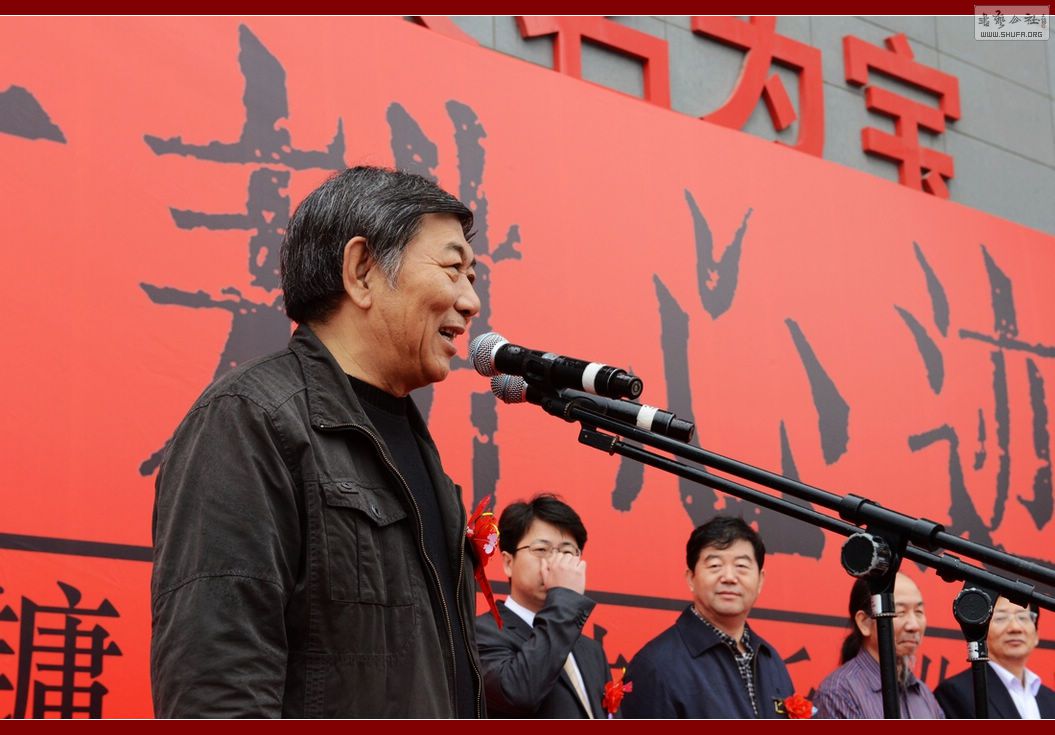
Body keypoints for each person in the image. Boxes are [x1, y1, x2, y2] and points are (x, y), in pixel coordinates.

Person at [150, 166, 485, 718]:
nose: (470, 302)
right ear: (361, 271)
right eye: (453, 269)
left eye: (472, 277)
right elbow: (217, 686)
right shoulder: (249, 419)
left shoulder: (416, 448)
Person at [622, 516, 794, 718]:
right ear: (691, 578)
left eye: (741, 566)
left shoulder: (770, 660)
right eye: (714, 565)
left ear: (760, 581)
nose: (729, 577)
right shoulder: (656, 665)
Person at [474, 494, 612, 718]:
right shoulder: (481, 633)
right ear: (508, 563)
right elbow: (518, 692)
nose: (555, 563)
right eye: (541, 550)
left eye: (567, 552)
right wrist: (564, 597)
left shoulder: (592, 650)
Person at [813, 572, 944, 719]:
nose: (914, 625)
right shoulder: (839, 693)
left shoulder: (923, 693)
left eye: (919, 612)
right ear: (864, 622)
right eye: (900, 612)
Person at [934, 597, 1055, 718]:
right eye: (1001, 618)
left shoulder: (1050, 698)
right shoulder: (957, 692)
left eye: (1023, 617)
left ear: (1036, 634)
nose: (1015, 628)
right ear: (982, 632)